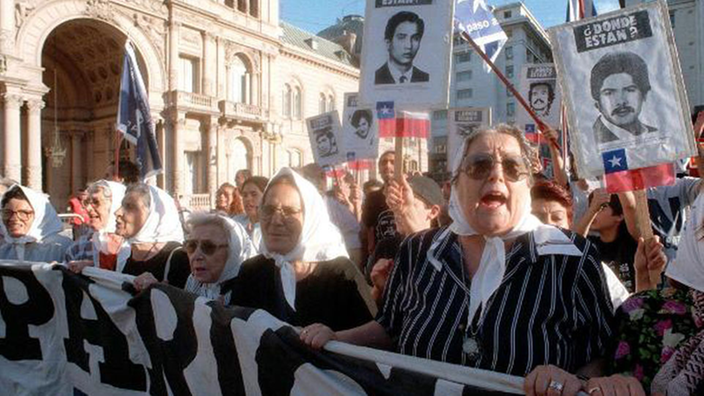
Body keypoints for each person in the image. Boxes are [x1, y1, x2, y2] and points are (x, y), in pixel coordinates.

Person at [300, 125, 642, 395]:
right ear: (455, 183)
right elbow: (391, 327)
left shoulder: (572, 256)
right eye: (479, 166)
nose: (496, 176)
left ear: (527, 184)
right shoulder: (418, 250)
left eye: (512, 167)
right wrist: (335, 339)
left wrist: (573, 379)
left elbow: (601, 351)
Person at [228, 168, 376, 331]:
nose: (276, 220)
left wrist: (335, 338)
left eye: (289, 211)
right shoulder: (251, 271)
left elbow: (376, 337)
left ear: (310, 218)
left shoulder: (340, 273)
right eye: (268, 210)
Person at [139, 213, 254, 304]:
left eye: (209, 247)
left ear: (234, 251)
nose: (196, 255)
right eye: (191, 246)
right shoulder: (193, 281)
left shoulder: (252, 291)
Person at [366, 174, 443, 306]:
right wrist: (381, 288)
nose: (399, 210)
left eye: (408, 203)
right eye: (396, 203)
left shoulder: (445, 247)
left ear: (433, 212)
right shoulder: (386, 246)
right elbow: (376, 312)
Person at [114, 184, 191, 290]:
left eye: (130, 207)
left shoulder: (179, 258)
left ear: (153, 216)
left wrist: (159, 289)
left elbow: (186, 303)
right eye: (122, 206)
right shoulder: (123, 255)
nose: (117, 212)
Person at [590, 51, 657, 145]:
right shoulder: (588, 143)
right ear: (598, 104)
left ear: (644, 95)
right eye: (609, 93)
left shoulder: (657, 135)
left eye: (629, 90)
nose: (621, 101)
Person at [64, 180, 130, 272]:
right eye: (87, 202)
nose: (88, 208)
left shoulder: (135, 247)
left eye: (96, 202)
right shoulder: (79, 248)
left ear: (116, 204)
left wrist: (93, 267)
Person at [0, 185, 72, 262]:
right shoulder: (4, 250)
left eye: (23, 213)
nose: (13, 219)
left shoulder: (61, 248)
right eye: (7, 212)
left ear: (39, 216)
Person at [360, 151, 395, 269]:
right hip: (380, 259)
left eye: (393, 162)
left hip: (405, 254)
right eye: (384, 162)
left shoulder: (413, 195)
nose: (388, 165)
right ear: (379, 169)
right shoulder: (372, 197)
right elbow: (368, 227)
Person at [374, 11, 429, 85]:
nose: (409, 46)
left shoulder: (425, 78)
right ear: (388, 43)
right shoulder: (376, 77)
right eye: (401, 37)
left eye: (415, 38)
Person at [235, 176, 268, 251]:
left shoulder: (273, 228)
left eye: (254, 194)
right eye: (245, 195)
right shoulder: (236, 223)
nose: (248, 199)